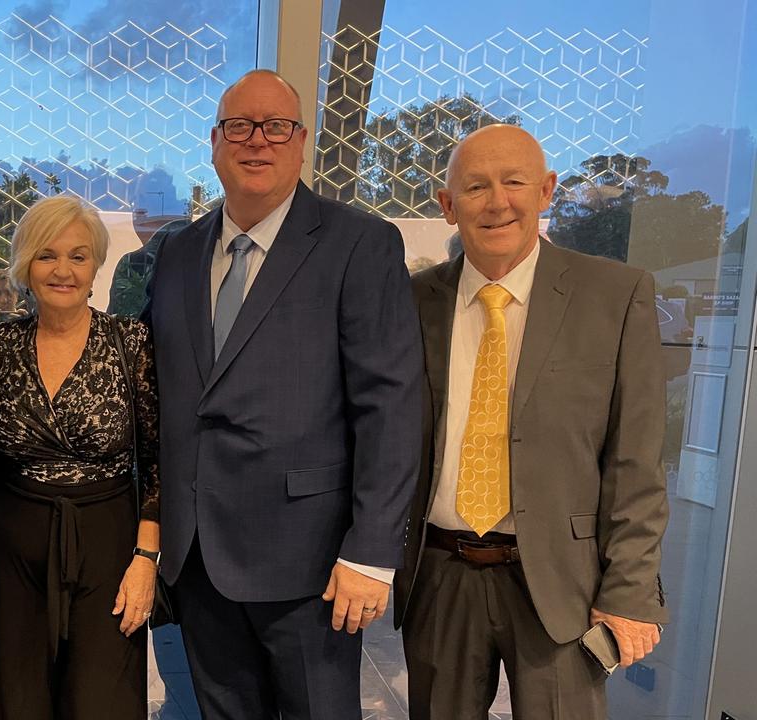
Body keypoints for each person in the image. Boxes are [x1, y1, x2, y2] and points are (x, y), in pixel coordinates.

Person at [143, 69, 423, 718]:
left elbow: (392, 405)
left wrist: (372, 549)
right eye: (239, 126)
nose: (256, 141)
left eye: (276, 126)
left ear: (302, 143)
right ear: (214, 144)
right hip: (200, 559)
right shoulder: (178, 254)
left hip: (312, 563)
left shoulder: (360, 244)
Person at [395, 124, 668, 719]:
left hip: (563, 585)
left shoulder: (616, 296)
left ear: (545, 191)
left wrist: (630, 591)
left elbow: (636, 462)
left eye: (514, 182)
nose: (497, 202)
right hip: (440, 575)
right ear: (447, 206)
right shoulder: (409, 302)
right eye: (475, 187)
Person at [0, 194, 160, 719]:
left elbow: (155, 459)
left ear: (96, 264)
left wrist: (146, 561)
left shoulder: (130, 342)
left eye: (78, 256)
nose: (63, 270)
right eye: (47, 255)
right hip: (16, 545)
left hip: (108, 542)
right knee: (19, 697)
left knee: (100, 700)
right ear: (25, 265)